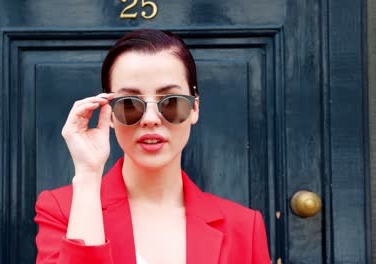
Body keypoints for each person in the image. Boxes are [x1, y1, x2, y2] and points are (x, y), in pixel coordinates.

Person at [34, 29, 271, 264]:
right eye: (129, 103)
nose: (150, 118)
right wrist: (88, 176)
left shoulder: (243, 226)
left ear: (194, 108)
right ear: (110, 114)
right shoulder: (64, 210)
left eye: (171, 102)